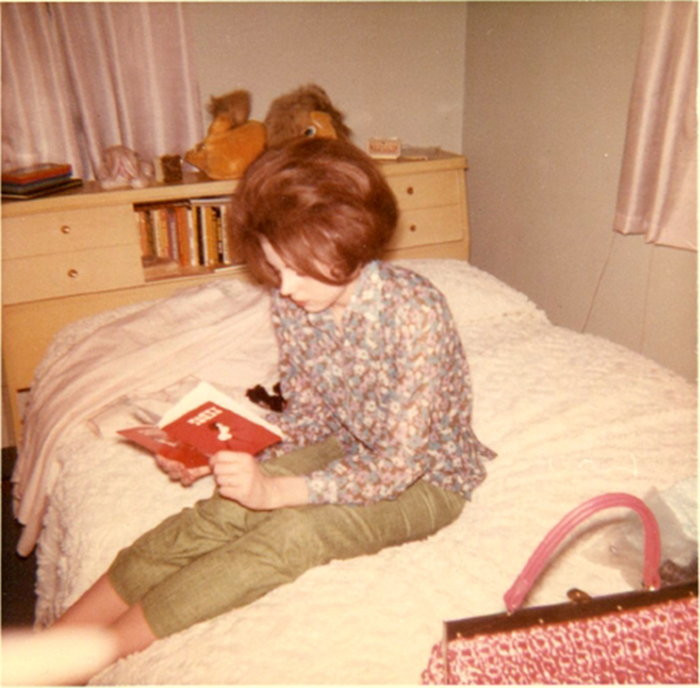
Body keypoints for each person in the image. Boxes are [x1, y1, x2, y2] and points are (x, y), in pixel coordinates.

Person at [49, 137, 495, 679]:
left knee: (291, 534)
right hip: (348, 443)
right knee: (224, 510)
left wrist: (276, 492)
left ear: (350, 243)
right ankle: (49, 647)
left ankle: (84, 660)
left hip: (429, 480)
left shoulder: (416, 313)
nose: (286, 288)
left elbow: (398, 466)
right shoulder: (293, 302)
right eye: (276, 268)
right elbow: (307, 417)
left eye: (298, 270)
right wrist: (213, 451)